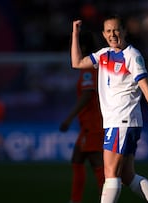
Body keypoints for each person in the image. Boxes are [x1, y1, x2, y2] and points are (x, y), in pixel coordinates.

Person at [70, 14, 148, 203]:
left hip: (122, 120)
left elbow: (146, 87)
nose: (113, 34)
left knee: (110, 174)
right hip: (119, 122)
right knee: (127, 176)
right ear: (103, 34)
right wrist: (75, 34)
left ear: (124, 31)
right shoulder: (104, 54)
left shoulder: (132, 55)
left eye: (116, 29)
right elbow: (77, 63)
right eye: (108, 31)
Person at [60, 31, 105, 203]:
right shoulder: (91, 66)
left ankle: (106, 199)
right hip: (89, 124)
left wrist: (69, 118)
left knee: (96, 163)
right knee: (77, 159)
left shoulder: (87, 67)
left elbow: (87, 95)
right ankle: (75, 200)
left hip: (92, 124)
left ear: (83, 48)